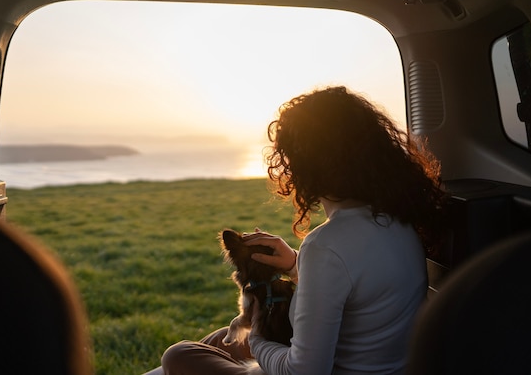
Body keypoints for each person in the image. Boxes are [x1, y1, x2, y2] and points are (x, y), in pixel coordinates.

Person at [142, 86, 448, 375]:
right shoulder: (400, 222)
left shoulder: (326, 245)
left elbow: (303, 371)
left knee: (179, 354)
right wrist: (293, 264)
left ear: (307, 165)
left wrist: (259, 340)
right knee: (222, 338)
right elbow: (359, 291)